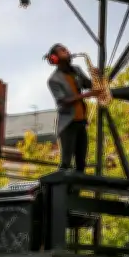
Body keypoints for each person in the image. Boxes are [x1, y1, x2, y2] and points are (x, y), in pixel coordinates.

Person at [45, 44, 97, 172]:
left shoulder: (77, 70)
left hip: (81, 122)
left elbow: (89, 85)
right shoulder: (53, 79)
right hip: (68, 124)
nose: (67, 51)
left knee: (81, 162)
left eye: (67, 49)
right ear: (55, 58)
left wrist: (97, 75)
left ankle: (76, 190)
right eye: (63, 51)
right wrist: (87, 95)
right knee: (66, 162)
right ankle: (62, 190)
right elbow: (63, 101)